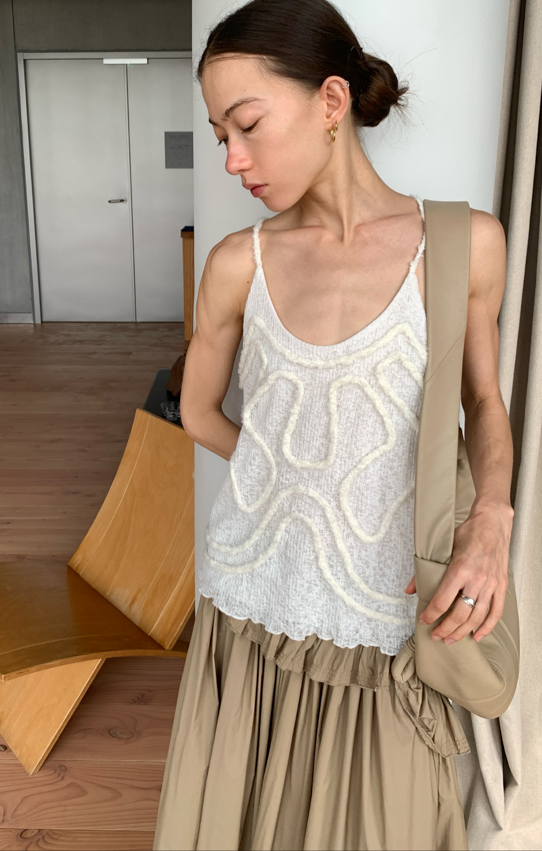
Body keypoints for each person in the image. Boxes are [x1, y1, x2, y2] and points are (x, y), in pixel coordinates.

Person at [154, 1, 514, 849]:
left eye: (247, 125)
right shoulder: (236, 264)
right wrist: (287, 476)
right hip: (253, 600)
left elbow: (484, 402)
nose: (233, 159)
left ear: (330, 100)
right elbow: (197, 411)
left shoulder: (463, 244)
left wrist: (492, 518)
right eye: (220, 137)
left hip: (386, 609)